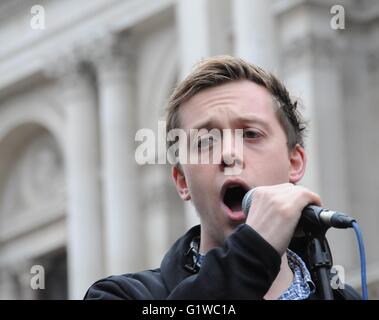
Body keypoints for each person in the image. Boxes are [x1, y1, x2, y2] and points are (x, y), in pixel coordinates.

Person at [84, 55, 360, 300]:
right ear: (182, 182)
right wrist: (252, 255)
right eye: (205, 141)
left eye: (251, 134)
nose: (229, 154)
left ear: (294, 162)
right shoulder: (121, 295)